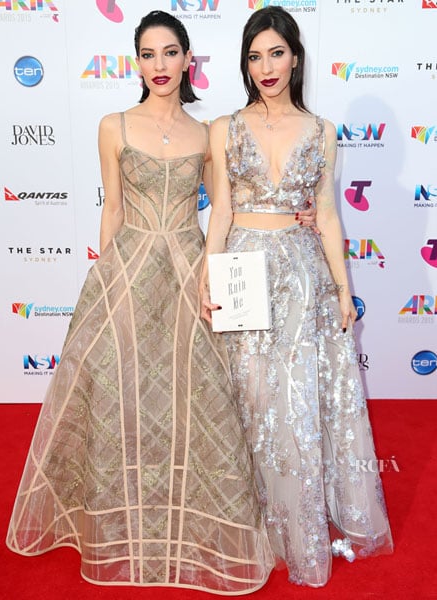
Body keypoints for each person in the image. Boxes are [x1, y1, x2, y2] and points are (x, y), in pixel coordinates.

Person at [6, 11, 279, 594]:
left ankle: (190, 522)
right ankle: (115, 520)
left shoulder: (208, 133)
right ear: (138, 63)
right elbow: (111, 208)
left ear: (188, 60)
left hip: (187, 270)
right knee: (117, 391)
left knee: (192, 396)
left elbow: (225, 211)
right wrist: (106, 280)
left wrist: (229, 259)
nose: (160, 65)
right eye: (149, 55)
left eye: (170, 52)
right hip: (127, 268)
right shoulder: (113, 125)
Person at [200, 6, 393, 589]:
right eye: (255, 56)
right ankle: (254, 521)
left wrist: (343, 290)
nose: (266, 66)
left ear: (296, 57)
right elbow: (221, 213)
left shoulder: (321, 130)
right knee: (251, 401)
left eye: (276, 53)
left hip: (302, 276)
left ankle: (299, 526)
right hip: (243, 272)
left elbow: (329, 217)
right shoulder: (224, 126)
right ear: (244, 63)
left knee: (298, 406)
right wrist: (209, 278)